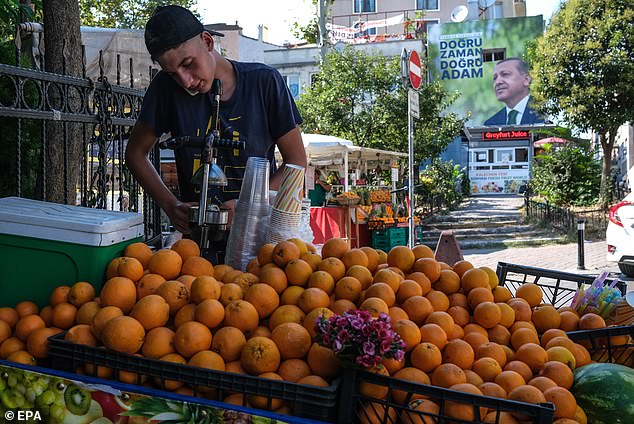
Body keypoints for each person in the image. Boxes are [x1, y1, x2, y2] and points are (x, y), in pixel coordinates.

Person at [125, 5, 307, 239]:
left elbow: (297, 162)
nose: (185, 81)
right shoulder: (165, 90)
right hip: (197, 240)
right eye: (172, 73)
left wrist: (248, 206)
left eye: (188, 63)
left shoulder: (265, 83)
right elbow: (135, 154)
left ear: (208, 42)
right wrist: (170, 205)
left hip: (257, 237)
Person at [484, 58, 545, 126]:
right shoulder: (490, 124)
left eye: (505, 74)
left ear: (526, 80)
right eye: (495, 78)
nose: (498, 82)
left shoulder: (546, 112)